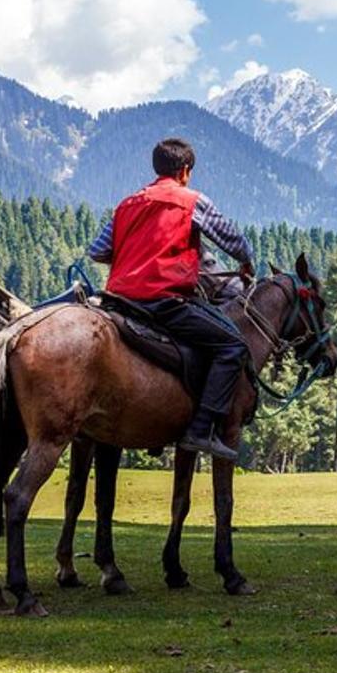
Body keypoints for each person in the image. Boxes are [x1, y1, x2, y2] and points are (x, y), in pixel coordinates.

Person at [88, 138, 254, 461]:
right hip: (164, 301)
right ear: (185, 171)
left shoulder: (127, 204)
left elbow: (98, 251)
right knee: (233, 346)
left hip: (119, 301)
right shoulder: (191, 201)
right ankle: (201, 429)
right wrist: (247, 261)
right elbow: (234, 241)